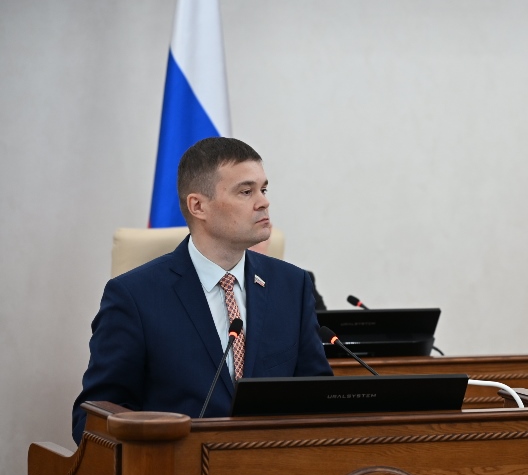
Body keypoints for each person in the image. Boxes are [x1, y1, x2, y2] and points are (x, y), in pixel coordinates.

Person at [72, 137, 333, 444]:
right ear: (198, 206)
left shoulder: (291, 285)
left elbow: (319, 396)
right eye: (246, 191)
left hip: (273, 466)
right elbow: (93, 416)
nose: (263, 202)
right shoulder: (135, 296)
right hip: (176, 466)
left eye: (263, 189)